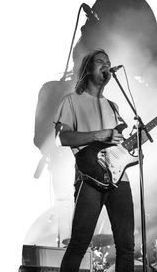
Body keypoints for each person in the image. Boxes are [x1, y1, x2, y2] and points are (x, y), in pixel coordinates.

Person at [55, 49, 135, 272]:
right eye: (100, 61)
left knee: (127, 245)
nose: (106, 65)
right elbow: (62, 138)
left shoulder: (113, 106)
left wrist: (133, 150)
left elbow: (117, 144)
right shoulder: (71, 101)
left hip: (120, 178)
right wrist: (100, 134)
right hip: (89, 175)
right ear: (88, 68)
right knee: (80, 243)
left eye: (108, 62)